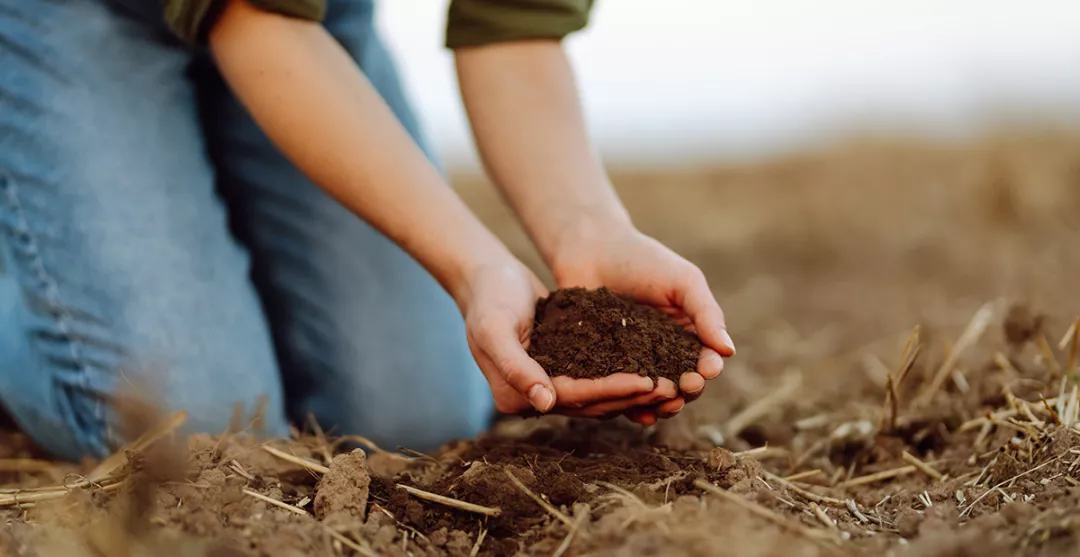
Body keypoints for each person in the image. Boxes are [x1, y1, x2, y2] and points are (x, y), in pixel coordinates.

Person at [0, 0, 735, 462]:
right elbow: (250, 20)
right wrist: (471, 264)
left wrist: (590, 228)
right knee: (184, 426)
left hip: (307, 19)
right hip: (75, 15)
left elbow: (512, 28)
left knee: (414, 414)